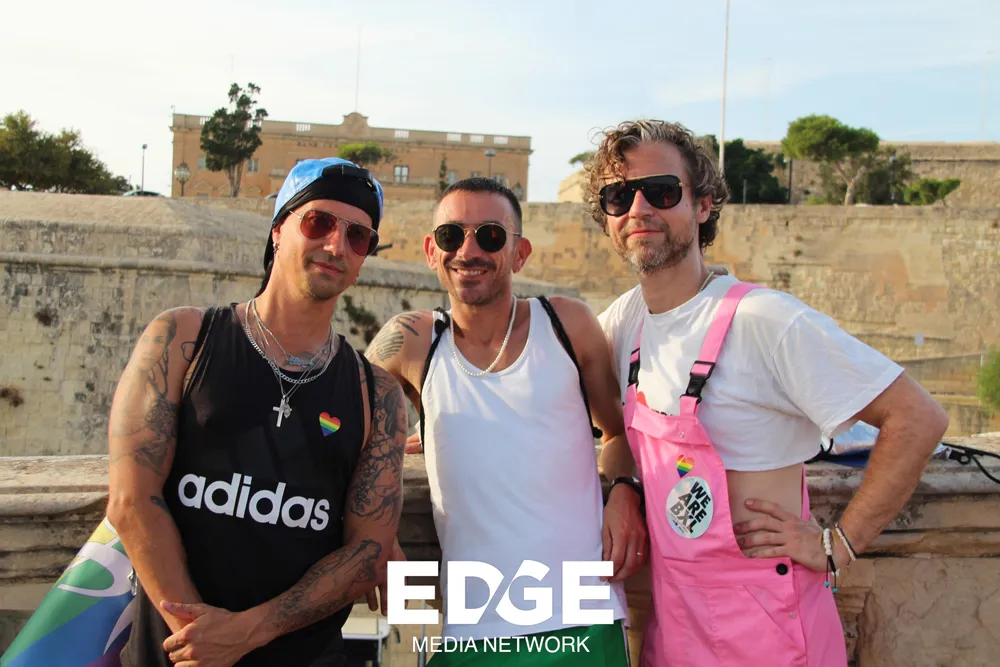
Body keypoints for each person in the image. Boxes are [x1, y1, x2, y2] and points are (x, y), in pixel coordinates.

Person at [587, 120, 950, 667]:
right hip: (676, 630)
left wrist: (838, 544)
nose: (638, 208)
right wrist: (622, 486)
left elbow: (917, 417)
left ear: (703, 205)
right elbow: (607, 429)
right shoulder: (626, 322)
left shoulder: (764, 319)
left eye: (660, 191)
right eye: (619, 196)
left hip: (772, 633)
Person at [107, 158, 407, 667]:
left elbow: (367, 552)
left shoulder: (377, 394)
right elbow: (131, 501)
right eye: (318, 223)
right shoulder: (182, 339)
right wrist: (198, 639)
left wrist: (246, 634)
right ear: (278, 229)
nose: (337, 245)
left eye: (358, 236)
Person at [366, 177, 645, 665]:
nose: (468, 250)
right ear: (432, 251)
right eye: (452, 235)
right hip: (472, 631)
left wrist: (624, 490)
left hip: (582, 621)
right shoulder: (411, 340)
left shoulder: (568, 325)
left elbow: (617, 431)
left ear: (520, 253)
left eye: (490, 236)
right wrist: (377, 532)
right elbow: (338, 430)